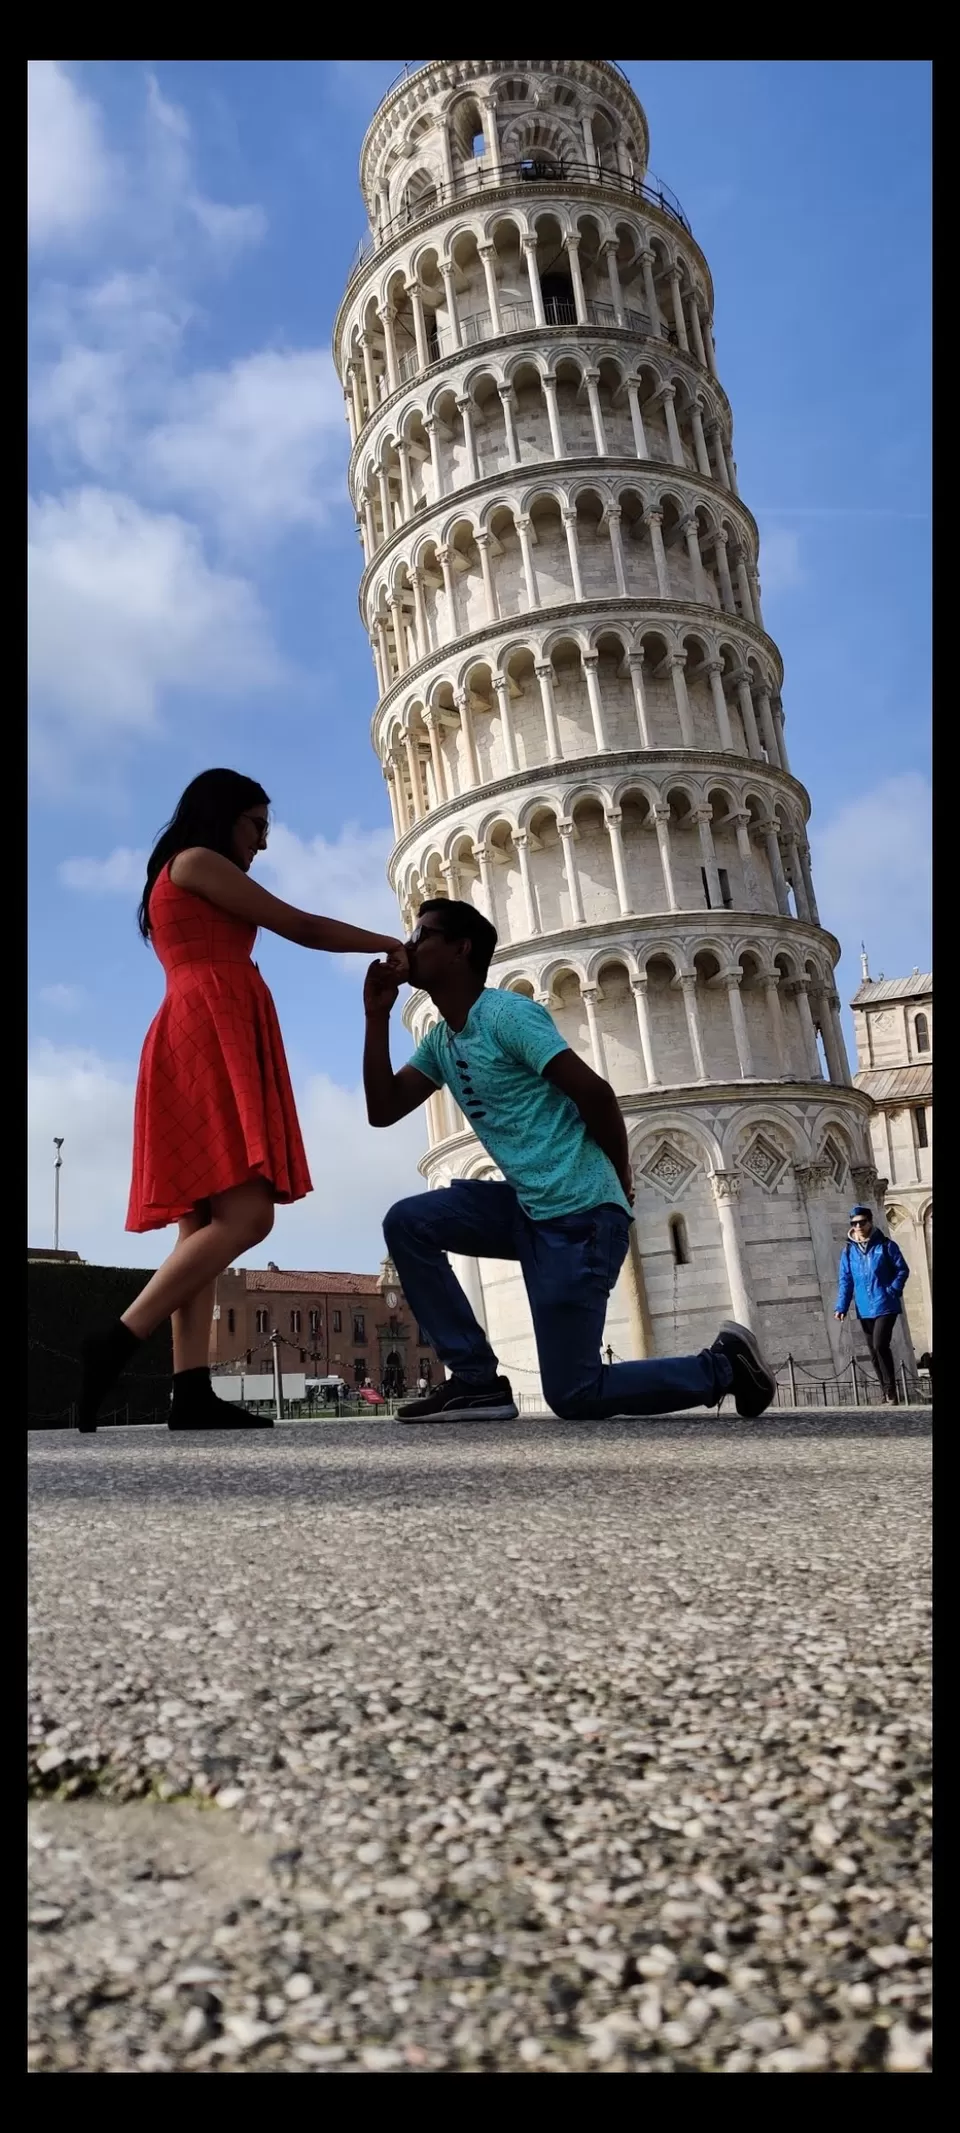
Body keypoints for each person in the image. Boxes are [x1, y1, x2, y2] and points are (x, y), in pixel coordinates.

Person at [77, 769, 405, 1434]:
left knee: (198, 1226)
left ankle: (189, 1389)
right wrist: (389, 942)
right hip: (207, 1028)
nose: (262, 841)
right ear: (223, 815)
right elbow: (298, 924)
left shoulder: (185, 868)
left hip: (195, 1028)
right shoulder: (196, 861)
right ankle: (114, 1340)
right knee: (249, 1216)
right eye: (256, 824)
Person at [363, 899, 777, 1425]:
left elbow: (597, 1095)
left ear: (461, 949)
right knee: (408, 1223)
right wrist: (376, 1018)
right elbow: (383, 1109)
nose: (410, 944)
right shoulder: (443, 1040)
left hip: (577, 1217)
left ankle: (724, 1367)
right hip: (526, 1209)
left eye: (423, 934)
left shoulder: (506, 1015)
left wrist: (617, 1178)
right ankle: (475, 1381)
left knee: (575, 1392)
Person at [835, 1204, 910, 1405]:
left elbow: (902, 1270)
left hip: (885, 1304)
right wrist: (841, 1306)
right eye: (854, 1223)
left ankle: (892, 1391)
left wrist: (892, 1290)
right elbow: (846, 1279)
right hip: (864, 1307)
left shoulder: (886, 1245)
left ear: (870, 1222)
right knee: (873, 1351)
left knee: (880, 1344)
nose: (858, 1226)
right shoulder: (849, 1251)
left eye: (861, 1222)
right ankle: (886, 1392)